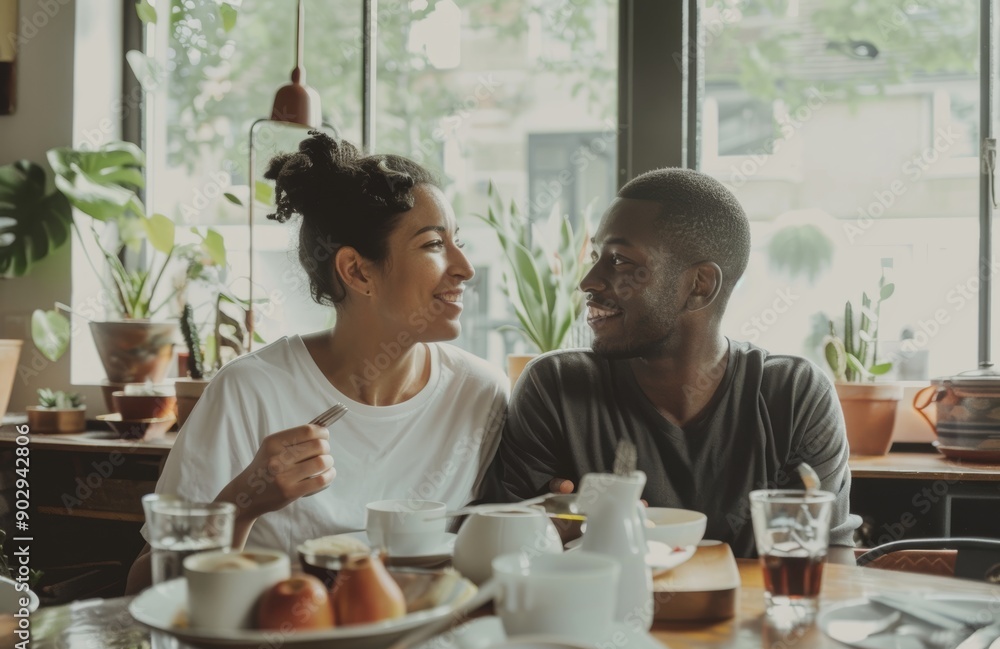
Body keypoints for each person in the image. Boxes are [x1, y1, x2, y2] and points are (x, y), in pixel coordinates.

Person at [126, 132, 507, 592]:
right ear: (357, 271)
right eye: (433, 245)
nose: (465, 266)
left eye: (457, 241)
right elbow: (145, 589)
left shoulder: (480, 393)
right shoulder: (250, 390)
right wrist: (243, 503)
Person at [482, 167, 860, 561]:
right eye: (596, 257)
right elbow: (511, 558)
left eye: (620, 261)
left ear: (700, 285)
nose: (589, 281)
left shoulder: (794, 395)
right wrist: (543, 531)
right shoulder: (556, 387)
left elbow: (829, 566)